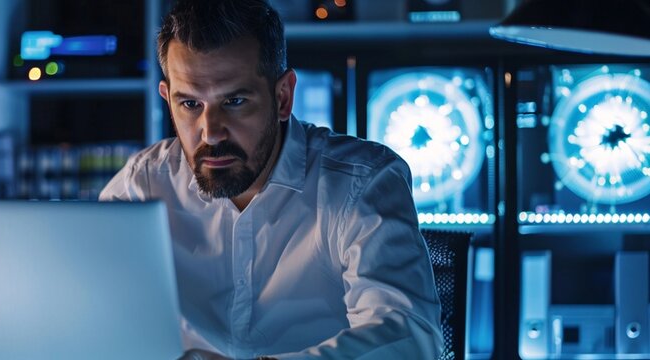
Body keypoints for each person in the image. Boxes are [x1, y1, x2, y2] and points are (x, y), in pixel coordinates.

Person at [99, 0, 444, 358]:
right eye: (190, 104)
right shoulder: (141, 187)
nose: (211, 133)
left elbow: (409, 339)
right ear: (167, 99)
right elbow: (89, 318)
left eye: (234, 101)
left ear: (283, 97)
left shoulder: (362, 184)